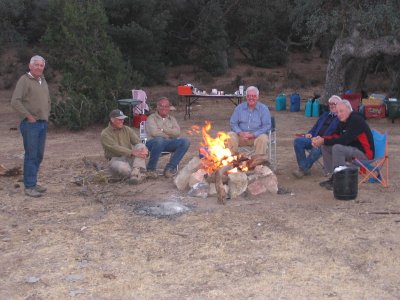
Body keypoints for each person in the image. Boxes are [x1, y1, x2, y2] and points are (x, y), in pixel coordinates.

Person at [11, 55, 51, 198]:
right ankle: (29, 187)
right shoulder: (24, 80)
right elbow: (15, 101)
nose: (39, 67)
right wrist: (28, 116)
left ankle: (33, 182)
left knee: (39, 155)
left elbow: (47, 100)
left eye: (41, 65)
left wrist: (46, 116)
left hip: (42, 123)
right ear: (30, 66)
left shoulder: (43, 81)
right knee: (31, 155)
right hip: (31, 124)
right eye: (36, 65)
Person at [312, 100, 375, 190]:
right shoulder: (343, 121)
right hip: (352, 150)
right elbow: (335, 135)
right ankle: (332, 176)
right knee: (325, 146)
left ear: (349, 109)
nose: (339, 114)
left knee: (338, 148)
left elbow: (345, 140)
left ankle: (339, 180)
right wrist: (321, 139)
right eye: (337, 112)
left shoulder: (356, 120)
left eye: (341, 111)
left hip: (364, 154)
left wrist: (324, 140)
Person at [292, 95, 342, 178]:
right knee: (298, 141)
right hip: (314, 138)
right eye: (330, 103)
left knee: (316, 149)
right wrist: (310, 133)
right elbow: (315, 127)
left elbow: (337, 135)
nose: (332, 105)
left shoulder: (340, 118)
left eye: (334, 103)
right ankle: (305, 168)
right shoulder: (325, 115)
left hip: (325, 142)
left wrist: (322, 140)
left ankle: (302, 169)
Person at [100, 109, 150, 184]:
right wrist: (132, 152)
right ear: (112, 120)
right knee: (124, 169)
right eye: (119, 119)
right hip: (115, 160)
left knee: (141, 146)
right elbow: (115, 148)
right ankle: (138, 174)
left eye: (123, 119)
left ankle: (135, 173)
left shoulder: (127, 129)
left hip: (129, 158)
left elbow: (137, 142)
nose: (122, 121)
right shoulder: (105, 134)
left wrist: (144, 150)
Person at [145, 97, 190, 178]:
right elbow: (154, 133)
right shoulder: (151, 118)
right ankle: (150, 169)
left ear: (169, 108)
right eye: (161, 106)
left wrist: (162, 129)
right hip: (152, 143)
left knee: (185, 141)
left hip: (168, 143)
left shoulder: (172, 119)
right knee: (159, 140)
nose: (164, 108)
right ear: (157, 107)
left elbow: (177, 133)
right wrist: (170, 134)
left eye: (166, 106)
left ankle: (169, 169)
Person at [227, 86, 271, 155]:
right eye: (249, 96)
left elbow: (267, 126)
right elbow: (233, 123)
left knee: (263, 138)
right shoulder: (239, 108)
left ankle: (258, 163)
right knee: (229, 135)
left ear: (257, 97)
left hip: (256, 137)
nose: (251, 98)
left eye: (253, 96)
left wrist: (253, 135)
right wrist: (240, 133)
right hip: (241, 137)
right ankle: (232, 161)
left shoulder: (264, 109)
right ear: (246, 97)